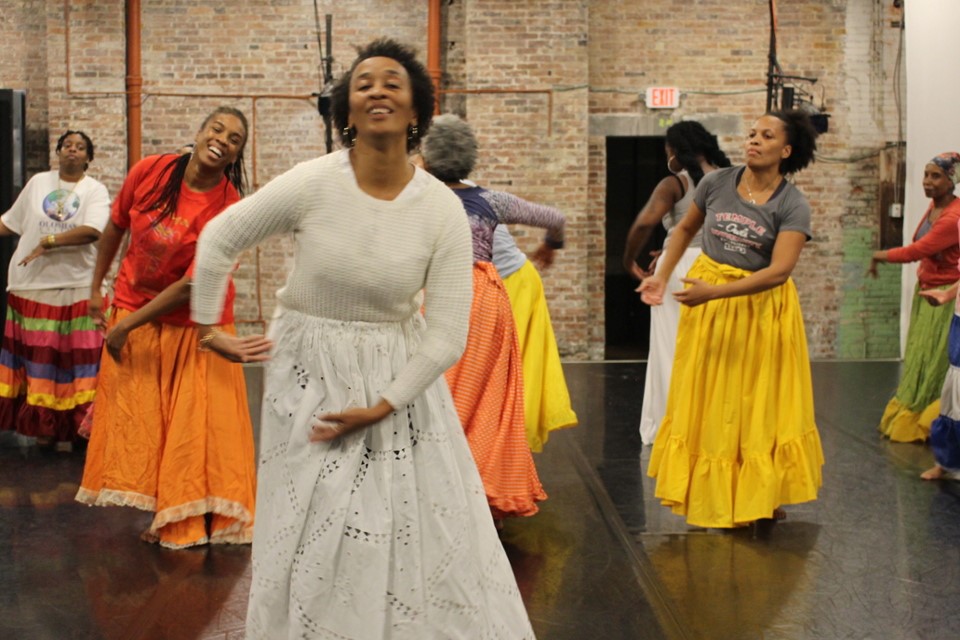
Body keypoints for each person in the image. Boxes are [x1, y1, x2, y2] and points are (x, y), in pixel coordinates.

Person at [189, 39, 535, 637]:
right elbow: (219, 238)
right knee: (315, 523)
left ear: (416, 111)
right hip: (307, 369)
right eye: (363, 84)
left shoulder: (441, 211)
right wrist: (207, 327)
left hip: (398, 376)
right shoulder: (313, 182)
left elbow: (448, 331)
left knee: (407, 521)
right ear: (346, 113)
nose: (377, 90)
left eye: (393, 82)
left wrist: (384, 402)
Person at [75, 106, 263, 550]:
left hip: (194, 325)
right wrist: (95, 289)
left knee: (191, 430)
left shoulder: (229, 207)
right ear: (199, 131)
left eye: (234, 138)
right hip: (133, 306)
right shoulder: (151, 171)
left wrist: (123, 329)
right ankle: (165, 506)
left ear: (237, 153)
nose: (222, 139)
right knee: (145, 421)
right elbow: (116, 226)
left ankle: (186, 515)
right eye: (216, 128)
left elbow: (192, 286)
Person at [639, 110, 825, 528]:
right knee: (711, 400)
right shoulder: (717, 182)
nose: (754, 140)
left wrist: (714, 293)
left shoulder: (793, 204)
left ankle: (762, 493)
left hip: (760, 310)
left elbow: (778, 271)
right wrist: (661, 276)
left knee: (754, 405)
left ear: (787, 149)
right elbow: (686, 230)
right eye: (753, 133)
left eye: (767, 135)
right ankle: (715, 494)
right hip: (711, 309)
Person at [421, 113, 566, 519]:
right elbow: (555, 219)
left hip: (438, 297)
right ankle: (484, 487)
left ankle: (440, 488)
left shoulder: (417, 198)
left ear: (427, 159)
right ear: (471, 158)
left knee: (440, 393)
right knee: (488, 398)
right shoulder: (492, 200)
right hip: (486, 301)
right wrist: (552, 246)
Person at [622, 121, 731, 446]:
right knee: (715, 350)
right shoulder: (733, 179)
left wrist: (628, 260)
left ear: (676, 151)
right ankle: (713, 425)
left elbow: (644, 223)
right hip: (723, 266)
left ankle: (676, 428)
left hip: (680, 269)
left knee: (672, 348)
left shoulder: (676, 183)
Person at [0, 130, 110, 447]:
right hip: (32, 286)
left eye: (80, 147)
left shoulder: (95, 191)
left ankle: (80, 430)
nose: (72, 151)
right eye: (67, 146)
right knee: (40, 361)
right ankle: (44, 429)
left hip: (77, 285)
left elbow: (91, 231)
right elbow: (12, 222)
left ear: (89, 157)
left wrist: (49, 242)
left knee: (80, 363)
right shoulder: (38, 185)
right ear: (58, 152)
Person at [868, 152, 960, 442]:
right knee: (920, 356)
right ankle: (915, 412)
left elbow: (915, 251)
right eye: (926, 175)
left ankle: (931, 422)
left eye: (936, 176)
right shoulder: (935, 208)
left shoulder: (953, 217)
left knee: (935, 361)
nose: (927, 182)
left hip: (944, 297)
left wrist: (879, 255)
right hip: (927, 291)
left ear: (952, 180)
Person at [492, 224, 578, 452]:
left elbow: (555, 218)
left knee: (512, 366)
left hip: (513, 283)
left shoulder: (481, 199)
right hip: (494, 283)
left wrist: (550, 245)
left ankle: (513, 441)